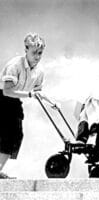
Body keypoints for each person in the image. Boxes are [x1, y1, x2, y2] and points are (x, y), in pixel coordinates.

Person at [0, 33, 46, 178]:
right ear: (26, 50)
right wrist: (30, 95)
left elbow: (37, 91)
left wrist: (51, 102)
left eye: (40, 53)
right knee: (6, 135)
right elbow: (7, 91)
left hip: (14, 102)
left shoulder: (39, 71)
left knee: (16, 136)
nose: (37, 57)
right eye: (34, 53)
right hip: (2, 99)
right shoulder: (15, 65)